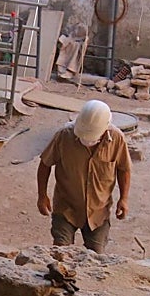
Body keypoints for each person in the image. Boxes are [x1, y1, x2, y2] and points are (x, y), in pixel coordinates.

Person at [36, 99, 132, 252]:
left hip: (98, 210)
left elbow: (124, 169)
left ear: (105, 128)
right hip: (66, 207)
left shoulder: (117, 139)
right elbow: (45, 164)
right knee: (60, 253)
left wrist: (124, 199)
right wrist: (42, 195)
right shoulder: (64, 136)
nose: (87, 140)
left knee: (96, 256)